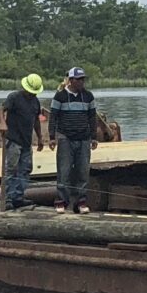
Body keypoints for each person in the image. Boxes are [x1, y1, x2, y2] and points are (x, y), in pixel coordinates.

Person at [50, 67, 99, 212]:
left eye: (83, 79)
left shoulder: (88, 96)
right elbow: (53, 117)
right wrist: (52, 137)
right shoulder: (60, 96)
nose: (81, 82)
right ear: (71, 80)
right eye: (78, 79)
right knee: (64, 171)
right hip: (66, 138)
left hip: (84, 138)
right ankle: (61, 202)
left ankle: (81, 202)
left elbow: (92, 117)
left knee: (83, 172)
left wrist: (94, 137)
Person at [1, 73, 44, 210]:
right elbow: (0, 110)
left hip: (26, 142)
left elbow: (36, 120)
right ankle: (7, 198)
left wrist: (40, 137)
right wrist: (3, 123)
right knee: (11, 169)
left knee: (25, 169)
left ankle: (18, 197)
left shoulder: (35, 102)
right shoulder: (14, 97)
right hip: (14, 140)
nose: (32, 95)